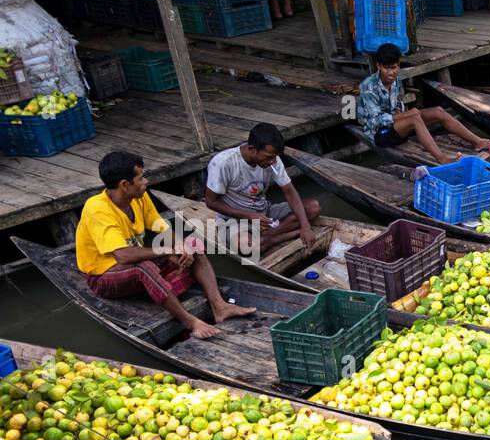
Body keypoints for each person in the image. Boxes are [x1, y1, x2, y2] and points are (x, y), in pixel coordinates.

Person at [76, 151, 254, 340]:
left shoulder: (138, 197)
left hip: (131, 263)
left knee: (192, 243)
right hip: (103, 276)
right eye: (141, 177)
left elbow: (161, 228)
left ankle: (219, 306)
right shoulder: (97, 209)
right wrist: (167, 251)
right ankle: (190, 322)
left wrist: (179, 245)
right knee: (143, 268)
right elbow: (123, 256)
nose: (145, 181)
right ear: (125, 185)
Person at [358, 43, 490, 162]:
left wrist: (400, 111)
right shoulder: (369, 87)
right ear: (378, 66)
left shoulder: (396, 79)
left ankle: (478, 141)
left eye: (394, 67)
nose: (391, 73)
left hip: (396, 126)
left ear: (398, 64)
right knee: (414, 118)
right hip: (378, 134)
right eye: (386, 68)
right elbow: (375, 121)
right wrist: (404, 116)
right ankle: (442, 159)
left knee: (438, 111)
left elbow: (397, 102)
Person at [204, 123, 320, 255]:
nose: (273, 161)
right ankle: (283, 235)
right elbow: (210, 202)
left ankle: (268, 236)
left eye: (275, 157)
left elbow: (290, 192)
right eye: (268, 157)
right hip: (233, 220)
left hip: (264, 213)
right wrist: (250, 216)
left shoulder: (273, 161)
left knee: (313, 207)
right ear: (252, 149)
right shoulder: (223, 163)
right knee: (248, 247)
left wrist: (305, 226)